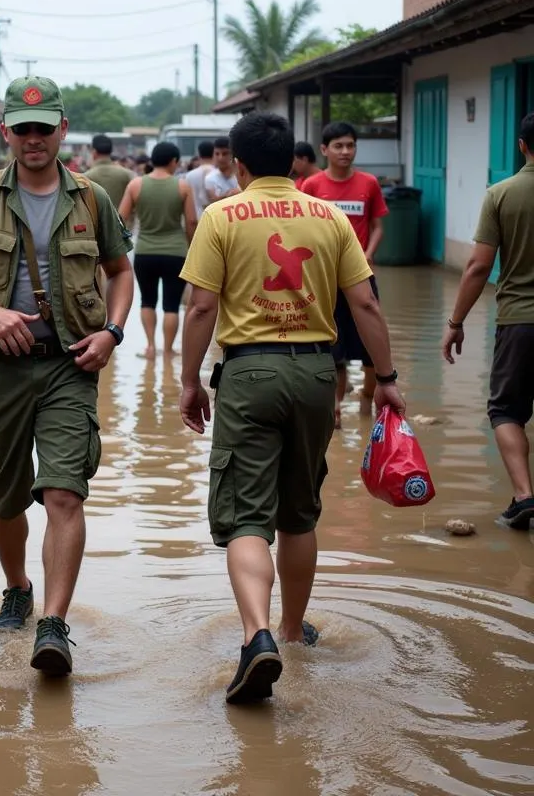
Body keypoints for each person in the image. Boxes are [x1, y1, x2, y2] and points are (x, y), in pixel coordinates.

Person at [178, 112, 404, 705]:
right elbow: (366, 304)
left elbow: (201, 308)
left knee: (244, 516)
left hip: (248, 371)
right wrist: (387, 379)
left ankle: (256, 637)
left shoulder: (222, 215)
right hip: (314, 374)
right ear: (295, 160)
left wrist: (188, 382)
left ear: (241, 163)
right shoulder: (329, 216)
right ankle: (291, 631)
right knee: (298, 510)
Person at [0, 76, 134, 677]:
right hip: (0, 367)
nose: (34, 138)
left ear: (63, 130)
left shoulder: (91, 199)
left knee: (65, 491)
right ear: (6, 133)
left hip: (70, 364)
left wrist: (113, 333)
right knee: (4, 493)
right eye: (22, 128)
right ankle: (17, 587)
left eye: (44, 128)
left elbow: (122, 273)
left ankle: (53, 623)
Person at [442, 111, 534, 529]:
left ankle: (524, 496)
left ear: (522, 145)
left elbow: (478, 267)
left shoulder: (501, 194)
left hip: (520, 320)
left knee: (505, 410)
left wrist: (456, 321)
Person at [300, 121, 389, 425]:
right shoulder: (311, 187)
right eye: (338, 146)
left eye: (350, 145)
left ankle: (368, 404)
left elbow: (377, 225)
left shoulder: (369, 183)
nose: (345, 151)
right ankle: (335, 409)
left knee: (369, 347)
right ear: (324, 150)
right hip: (325, 281)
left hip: (362, 276)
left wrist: (368, 252)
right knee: (330, 347)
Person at [118, 141, 196, 358]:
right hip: (176, 252)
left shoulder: (135, 185)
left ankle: (150, 347)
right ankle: (169, 350)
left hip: (145, 251)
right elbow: (191, 222)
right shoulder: (182, 187)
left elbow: (120, 218)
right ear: (174, 162)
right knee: (171, 305)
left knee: (148, 300)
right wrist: (192, 249)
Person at [84, 133, 134, 210]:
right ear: (111, 151)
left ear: (94, 152)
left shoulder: (85, 178)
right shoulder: (127, 174)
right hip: (123, 221)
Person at [186, 140, 217, 219]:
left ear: (199, 154)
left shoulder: (189, 175)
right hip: (215, 216)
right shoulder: (218, 174)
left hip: (195, 216)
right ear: (214, 153)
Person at [204, 136, 240, 204]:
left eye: (225, 154)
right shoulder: (210, 178)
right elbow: (213, 201)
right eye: (217, 154)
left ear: (232, 154)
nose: (220, 158)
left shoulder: (242, 176)